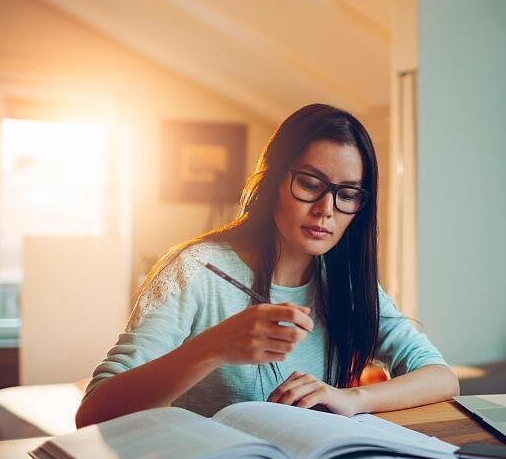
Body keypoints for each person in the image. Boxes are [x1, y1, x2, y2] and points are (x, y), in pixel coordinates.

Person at [76, 104, 458, 427]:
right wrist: (213, 347)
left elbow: (441, 378)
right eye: (310, 184)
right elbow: (94, 411)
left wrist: (352, 398)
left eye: (346, 194)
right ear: (273, 180)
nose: (326, 209)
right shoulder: (195, 270)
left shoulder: (345, 283)